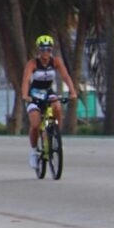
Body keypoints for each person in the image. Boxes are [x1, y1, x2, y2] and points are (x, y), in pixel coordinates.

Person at [21, 34, 77, 170]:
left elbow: (65, 76)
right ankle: (34, 152)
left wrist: (72, 91)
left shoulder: (56, 61)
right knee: (35, 124)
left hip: (47, 92)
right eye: (42, 49)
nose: (45, 53)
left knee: (57, 106)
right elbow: (26, 79)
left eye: (48, 50)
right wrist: (25, 95)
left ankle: (56, 133)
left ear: (51, 50)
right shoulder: (33, 63)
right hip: (34, 94)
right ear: (38, 51)